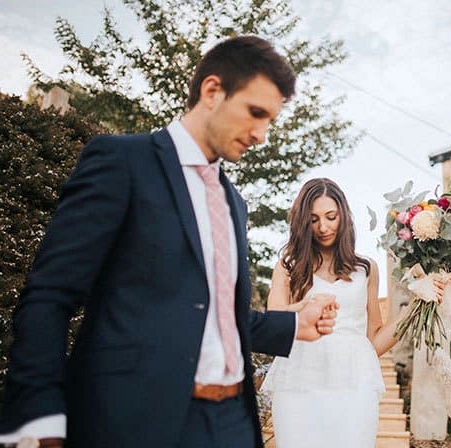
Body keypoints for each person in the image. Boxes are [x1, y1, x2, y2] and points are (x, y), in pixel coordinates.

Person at [0, 35, 338, 448]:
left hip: (232, 423)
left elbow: (213, 314)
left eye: (269, 120)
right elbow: (49, 296)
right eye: (255, 113)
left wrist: (294, 324)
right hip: (136, 422)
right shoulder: (121, 162)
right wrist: (38, 416)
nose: (261, 134)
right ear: (212, 90)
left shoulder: (234, 202)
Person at [260, 178, 408, 448]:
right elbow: (274, 323)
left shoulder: (366, 269)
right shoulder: (288, 266)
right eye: (313, 219)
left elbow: (374, 340)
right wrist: (302, 308)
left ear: (343, 216)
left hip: (355, 379)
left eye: (331, 217)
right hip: (299, 378)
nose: (323, 227)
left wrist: (416, 309)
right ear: (303, 222)